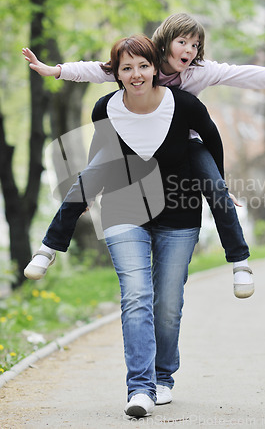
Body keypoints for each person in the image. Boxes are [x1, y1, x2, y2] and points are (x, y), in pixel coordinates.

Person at [22, 13, 265, 299]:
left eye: (195, 45)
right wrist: (55, 70)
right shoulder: (142, 62)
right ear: (164, 42)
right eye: (183, 42)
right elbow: (96, 69)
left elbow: (242, 74)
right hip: (134, 143)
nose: (189, 50)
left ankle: (240, 262)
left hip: (185, 142)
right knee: (87, 176)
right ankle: (48, 248)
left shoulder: (199, 71)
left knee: (217, 190)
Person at [24, 35, 229, 417]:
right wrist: (86, 192)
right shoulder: (105, 108)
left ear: (155, 68)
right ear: (115, 74)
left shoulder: (184, 105)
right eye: (126, 68)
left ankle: (163, 377)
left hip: (178, 213)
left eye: (143, 66)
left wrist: (221, 187)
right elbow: (102, 152)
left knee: (167, 304)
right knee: (136, 295)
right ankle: (140, 388)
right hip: (124, 208)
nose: (135, 75)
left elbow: (212, 147)